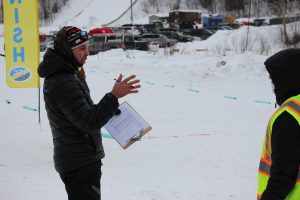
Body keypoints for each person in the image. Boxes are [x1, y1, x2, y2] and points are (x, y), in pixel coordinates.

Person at [38, 26, 141, 200]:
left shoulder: (70, 74)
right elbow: (88, 122)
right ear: (67, 50)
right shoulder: (62, 81)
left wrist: (110, 108)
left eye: (87, 47)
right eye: (81, 49)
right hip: (78, 163)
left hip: (82, 160)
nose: (87, 53)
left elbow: (84, 112)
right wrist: (113, 96)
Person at [257, 48, 300, 200]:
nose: (272, 84)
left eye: (273, 79)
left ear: (286, 77)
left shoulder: (288, 116)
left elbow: (282, 177)